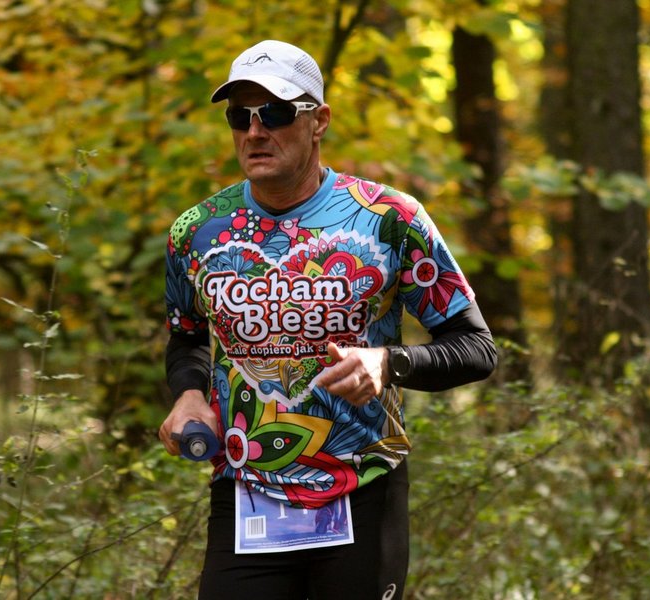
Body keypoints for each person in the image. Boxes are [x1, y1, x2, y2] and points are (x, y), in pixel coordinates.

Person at [159, 39, 497, 600]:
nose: (255, 131)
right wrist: (189, 395)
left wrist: (388, 363)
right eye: (240, 116)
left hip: (362, 487)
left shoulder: (388, 220)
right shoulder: (197, 231)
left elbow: (476, 348)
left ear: (319, 121)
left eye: (275, 113)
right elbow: (186, 338)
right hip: (246, 492)